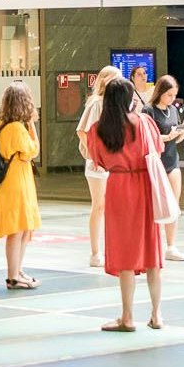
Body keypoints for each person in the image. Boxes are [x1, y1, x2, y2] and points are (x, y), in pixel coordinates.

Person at [90, 78, 165, 332]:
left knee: (124, 255)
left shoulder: (99, 129)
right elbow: (158, 148)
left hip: (119, 189)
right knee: (152, 252)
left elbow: (97, 159)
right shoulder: (144, 122)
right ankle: (156, 315)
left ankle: (127, 316)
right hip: (145, 186)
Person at [0, 81, 43, 289]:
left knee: (21, 228)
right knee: (17, 229)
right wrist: (31, 125)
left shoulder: (0, 122)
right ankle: (13, 276)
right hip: (17, 183)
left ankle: (17, 270)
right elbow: (33, 150)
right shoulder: (16, 129)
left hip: (13, 182)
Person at [77, 65, 123, 267]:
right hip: (98, 163)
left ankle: (113, 249)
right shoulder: (96, 103)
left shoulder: (117, 105)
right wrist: (96, 155)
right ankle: (95, 252)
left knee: (113, 206)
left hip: (114, 161)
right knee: (99, 205)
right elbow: (83, 131)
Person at [148, 76, 184, 261]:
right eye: (168, 95)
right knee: (155, 204)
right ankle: (154, 244)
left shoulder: (173, 110)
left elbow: (175, 139)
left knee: (174, 204)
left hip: (172, 160)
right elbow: (149, 138)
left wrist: (182, 133)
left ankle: (171, 245)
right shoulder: (148, 111)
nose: (172, 98)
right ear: (160, 92)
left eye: (174, 95)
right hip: (156, 162)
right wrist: (167, 136)